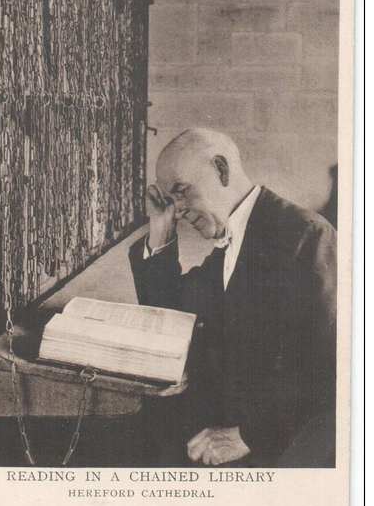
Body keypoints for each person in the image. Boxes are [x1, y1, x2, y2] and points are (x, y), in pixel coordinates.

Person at [129, 128, 337, 468]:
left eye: (181, 192)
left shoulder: (305, 234)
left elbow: (331, 369)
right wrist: (161, 228)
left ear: (221, 169)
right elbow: (176, 310)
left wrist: (248, 435)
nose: (178, 210)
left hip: (279, 445)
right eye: (171, 200)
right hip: (227, 425)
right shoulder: (236, 237)